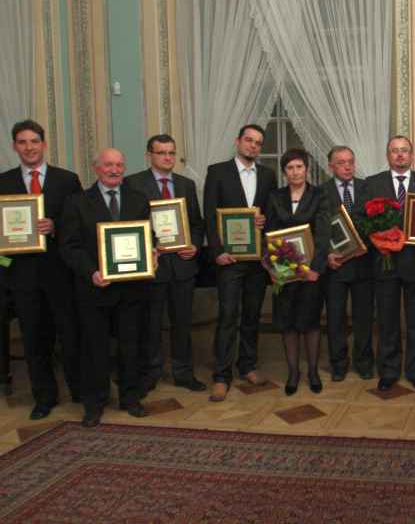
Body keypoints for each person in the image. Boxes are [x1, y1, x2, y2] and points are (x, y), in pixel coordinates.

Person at [59, 148, 152, 427]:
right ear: (96, 168)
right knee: (94, 349)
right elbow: (69, 246)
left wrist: (152, 252)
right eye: (109, 165)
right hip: (94, 289)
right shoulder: (76, 202)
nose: (115, 170)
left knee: (130, 347)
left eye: (119, 165)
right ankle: (95, 403)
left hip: (130, 289)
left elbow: (148, 236)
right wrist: (92, 272)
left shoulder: (138, 199)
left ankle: (130, 398)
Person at [0, 120, 82, 419]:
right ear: (15, 146)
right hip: (22, 278)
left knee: (71, 336)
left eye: (34, 141)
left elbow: (80, 226)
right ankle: (44, 397)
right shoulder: (3, 182)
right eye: (22, 142)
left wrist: (56, 226)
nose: (29, 147)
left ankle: (80, 391)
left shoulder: (67, 180)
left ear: (44, 144)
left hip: (61, 274)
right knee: (34, 340)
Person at [125, 134, 206, 393]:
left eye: (171, 153)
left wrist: (194, 243)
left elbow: (196, 222)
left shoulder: (186, 184)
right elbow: (129, 225)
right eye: (162, 153)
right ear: (149, 155)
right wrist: (147, 248)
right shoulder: (133, 183)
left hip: (182, 266)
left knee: (182, 322)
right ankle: (151, 371)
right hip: (153, 266)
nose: (168, 157)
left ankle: (183, 372)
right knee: (151, 323)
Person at [204, 124, 277, 402]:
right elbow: (210, 215)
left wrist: (264, 220)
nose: (253, 146)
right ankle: (221, 376)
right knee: (228, 316)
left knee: (251, 315)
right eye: (249, 141)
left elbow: (271, 213)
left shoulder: (268, 176)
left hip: (257, 259)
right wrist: (217, 251)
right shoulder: (217, 172)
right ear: (238, 142)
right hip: (229, 259)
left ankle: (248, 365)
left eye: (258, 143)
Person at [365, 136, 415, 391]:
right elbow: (364, 222)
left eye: (404, 151)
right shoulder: (373, 184)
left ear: (412, 155)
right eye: (394, 151)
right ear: (388, 156)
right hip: (385, 264)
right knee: (387, 322)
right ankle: (389, 371)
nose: (400, 155)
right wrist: (376, 239)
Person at [265, 149, 331, 395]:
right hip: (284, 272)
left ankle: (312, 371)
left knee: (311, 322)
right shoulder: (275, 197)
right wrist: (272, 268)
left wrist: (316, 269)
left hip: (310, 273)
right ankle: (293, 372)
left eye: (299, 167)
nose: (295, 172)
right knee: (288, 324)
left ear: (307, 169)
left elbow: (324, 236)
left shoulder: (319, 195)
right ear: (284, 172)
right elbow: (269, 234)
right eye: (290, 168)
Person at [321, 146, 374, 381]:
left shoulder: (367, 188)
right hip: (336, 266)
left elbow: (378, 223)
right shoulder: (320, 192)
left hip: (364, 264)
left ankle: (363, 362)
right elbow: (316, 228)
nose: (347, 166)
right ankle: (339, 364)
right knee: (336, 318)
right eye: (341, 162)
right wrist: (325, 255)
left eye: (351, 161)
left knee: (364, 317)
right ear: (330, 166)